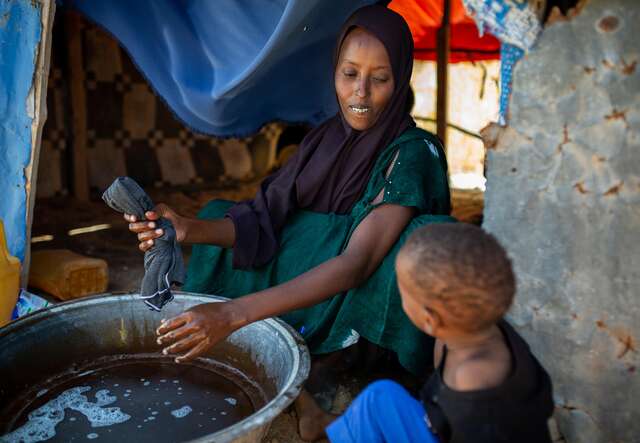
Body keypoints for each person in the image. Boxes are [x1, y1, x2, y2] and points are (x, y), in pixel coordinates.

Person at [125, 5, 453, 439]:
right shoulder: (323, 139)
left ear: (401, 78)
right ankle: (301, 388)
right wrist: (185, 228)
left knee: (412, 242)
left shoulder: (412, 152)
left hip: (357, 287)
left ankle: (341, 378)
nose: (361, 92)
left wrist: (234, 314)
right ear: (334, 72)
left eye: (380, 77)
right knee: (217, 213)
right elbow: (263, 220)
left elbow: (357, 262)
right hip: (314, 263)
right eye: (350, 73)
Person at [300, 223, 555, 442]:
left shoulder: (474, 379)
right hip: (440, 423)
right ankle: (322, 423)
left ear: (430, 319)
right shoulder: (470, 331)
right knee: (380, 397)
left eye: (404, 292)